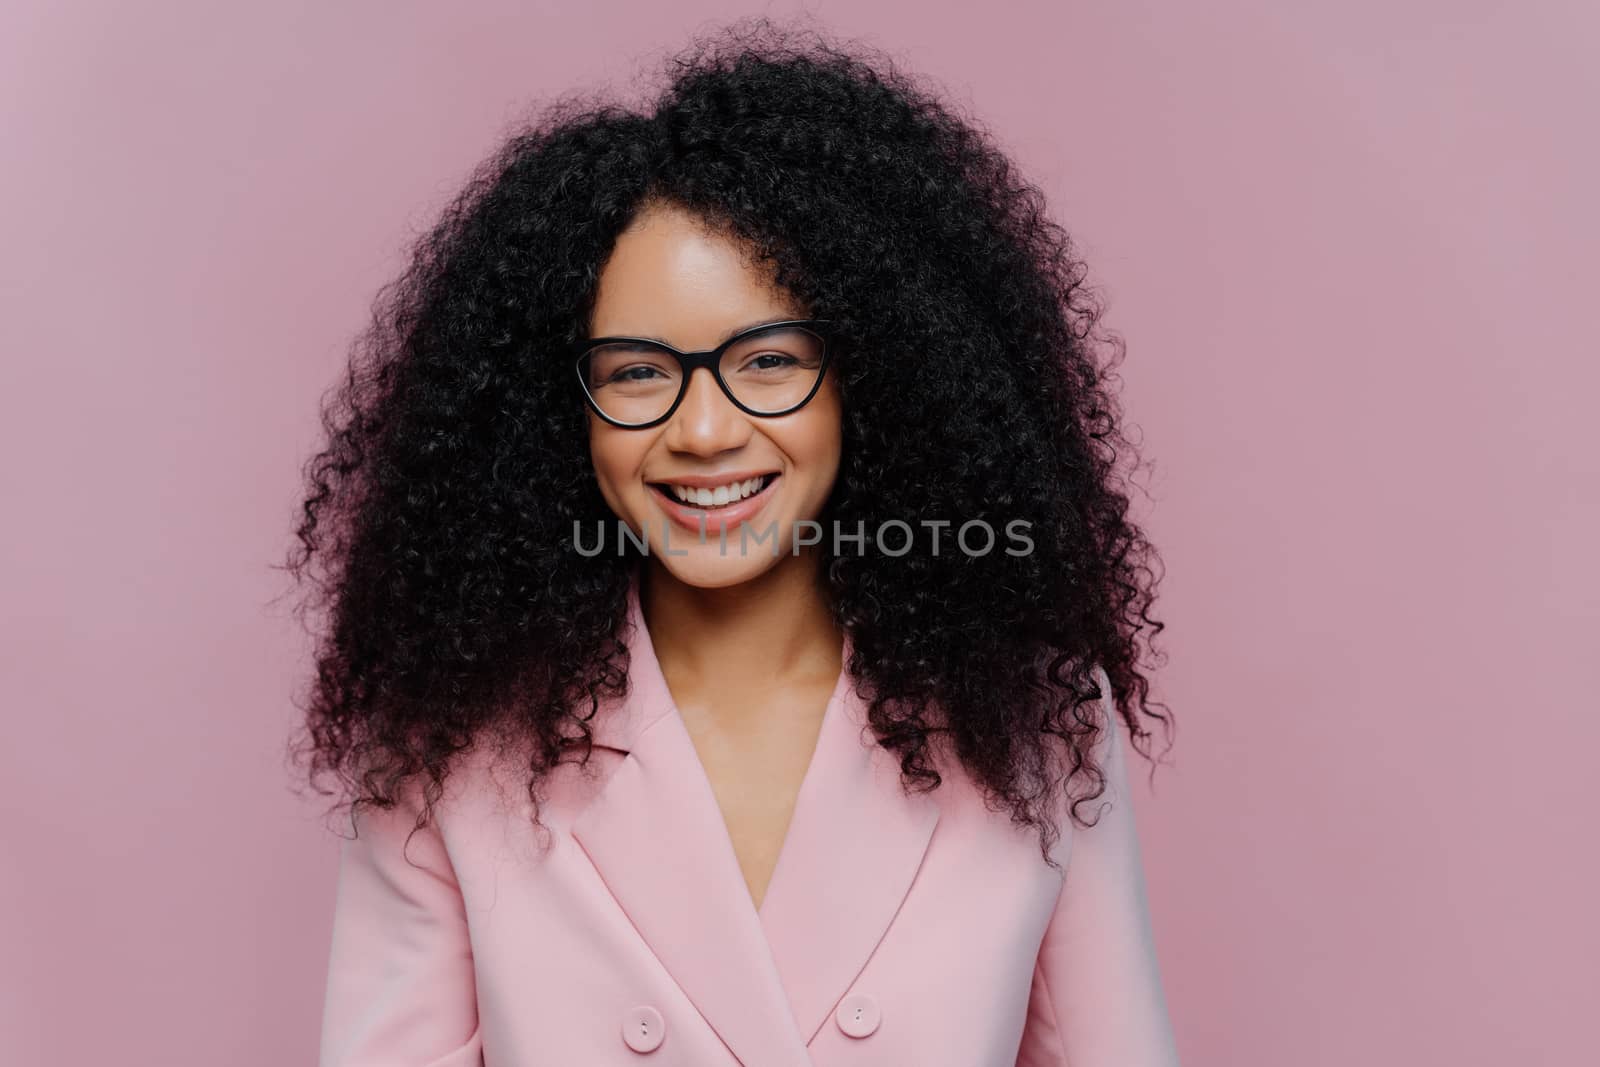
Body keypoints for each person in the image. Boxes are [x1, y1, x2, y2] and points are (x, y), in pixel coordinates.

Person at [287, 16, 1180, 1066]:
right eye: (635, 372)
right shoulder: (445, 743)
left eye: (766, 361)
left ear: (875, 374)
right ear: (553, 411)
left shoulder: (1035, 721)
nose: (703, 432)